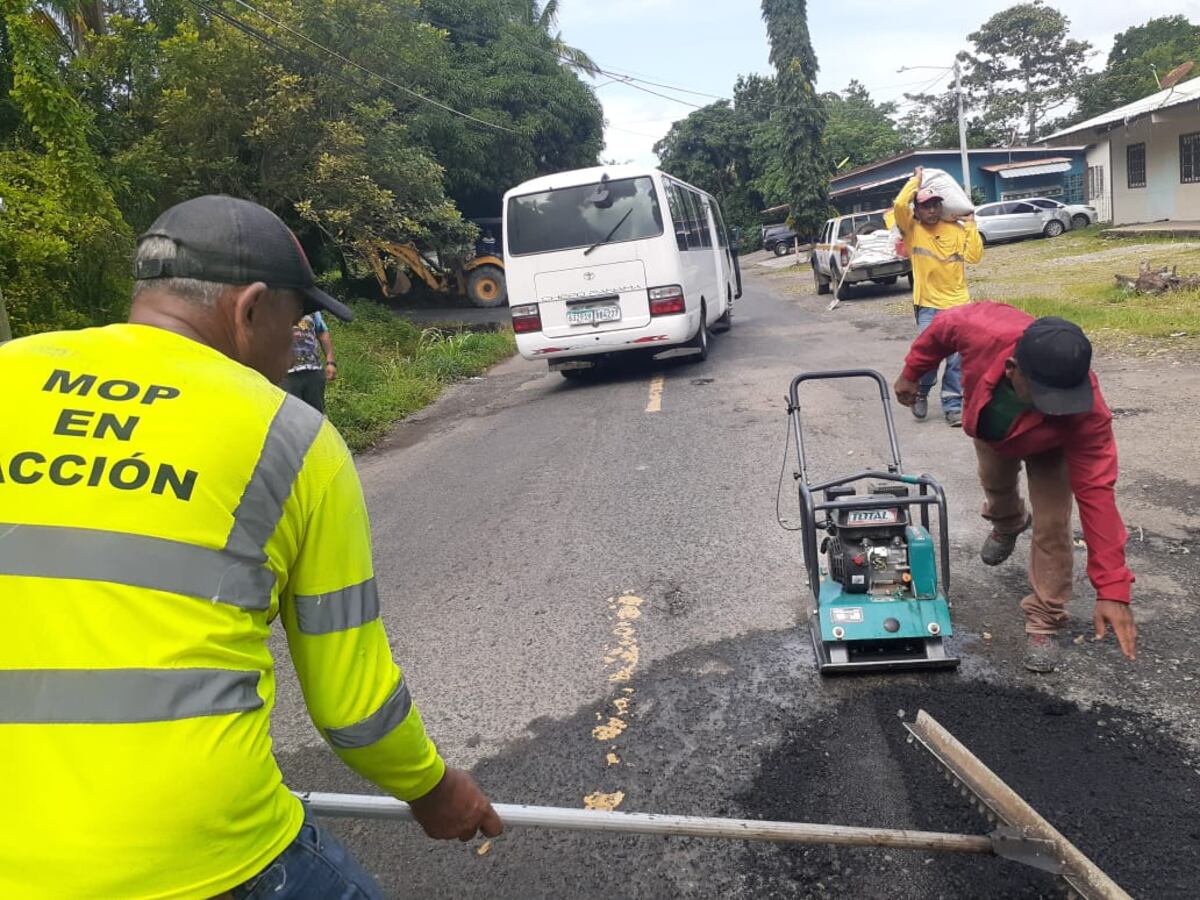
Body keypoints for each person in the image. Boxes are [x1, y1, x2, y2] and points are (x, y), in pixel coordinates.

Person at [0, 195, 502, 899]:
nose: (288, 351)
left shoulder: (10, 370)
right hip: (199, 854)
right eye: (294, 327)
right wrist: (434, 790)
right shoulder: (290, 438)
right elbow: (354, 709)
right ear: (250, 310)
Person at [893, 301, 1137, 673]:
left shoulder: (1084, 413)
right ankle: (1007, 523)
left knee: (1053, 526)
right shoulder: (981, 326)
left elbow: (1098, 497)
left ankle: (1044, 620)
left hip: (1051, 449)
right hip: (992, 433)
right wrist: (913, 373)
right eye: (1046, 398)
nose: (1056, 408)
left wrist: (1113, 589)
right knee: (996, 485)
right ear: (1012, 370)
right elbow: (938, 333)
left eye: (1064, 398)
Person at [892, 166, 984, 428]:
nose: (931, 210)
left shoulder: (956, 229)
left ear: (941, 207)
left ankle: (953, 405)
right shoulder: (911, 230)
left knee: (956, 359)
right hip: (928, 305)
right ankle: (921, 392)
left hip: (958, 304)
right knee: (929, 356)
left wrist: (971, 227)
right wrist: (916, 180)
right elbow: (900, 203)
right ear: (917, 210)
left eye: (935, 205)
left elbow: (975, 257)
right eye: (925, 206)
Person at [283, 311, 336, 413]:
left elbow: (322, 332)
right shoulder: (272, 305)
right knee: (290, 415)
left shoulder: (313, 309)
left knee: (316, 415)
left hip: (313, 372)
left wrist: (330, 362)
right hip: (285, 375)